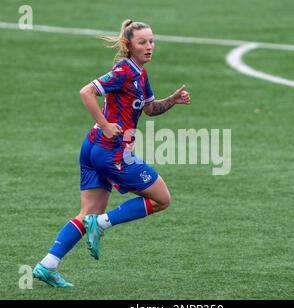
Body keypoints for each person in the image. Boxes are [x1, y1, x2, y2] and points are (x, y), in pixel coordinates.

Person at [32, 19, 191, 288]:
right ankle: (103, 224)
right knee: (161, 199)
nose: (149, 46)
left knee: (87, 212)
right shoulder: (124, 71)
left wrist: (172, 101)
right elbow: (87, 92)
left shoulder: (140, 73)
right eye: (143, 42)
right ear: (129, 46)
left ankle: (47, 265)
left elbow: (150, 109)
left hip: (93, 147)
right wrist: (105, 124)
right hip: (110, 152)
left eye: (152, 41)